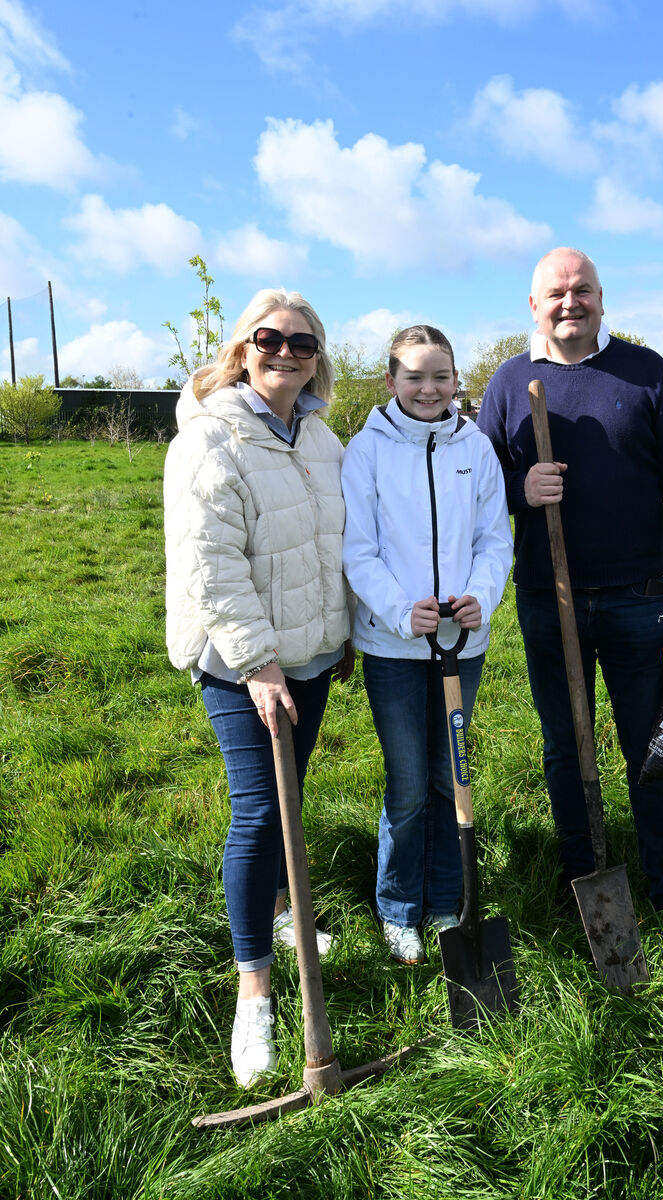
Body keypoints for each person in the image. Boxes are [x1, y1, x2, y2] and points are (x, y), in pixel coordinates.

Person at [476, 247, 663, 921]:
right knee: (564, 745)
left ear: (601, 299)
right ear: (533, 306)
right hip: (545, 598)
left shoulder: (644, 373)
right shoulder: (507, 384)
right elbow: (472, 488)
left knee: (653, 742)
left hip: (636, 596)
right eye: (554, 293)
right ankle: (584, 875)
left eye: (581, 290)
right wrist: (519, 489)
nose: (568, 302)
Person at [163, 288, 353, 1086]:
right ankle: (254, 990)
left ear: (317, 360)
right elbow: (211, 563)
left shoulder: (321, 437)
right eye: (268, 338)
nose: (284, 352)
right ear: (242, 348)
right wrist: (257, 661)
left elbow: (334, 538)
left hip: (310, 652)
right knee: (257, 810)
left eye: (301, 343)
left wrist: (338, 635)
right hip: (238, 660)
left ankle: (281, 913)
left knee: (291, 794)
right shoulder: (210, 438)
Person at [341, 326, 512, 965]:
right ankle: (396, 907)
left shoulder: (477, 449)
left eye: (440, 376)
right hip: (394, 648)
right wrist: (397, 609)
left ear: (456, 381)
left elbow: (495, 539)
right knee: (408, 783)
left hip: (461, 646)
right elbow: (357, 547)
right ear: (391, 381)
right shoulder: (368, 451)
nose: (428, 388)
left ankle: (446, 901)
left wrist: (479, 598)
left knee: (450, 779)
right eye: (414, 376)